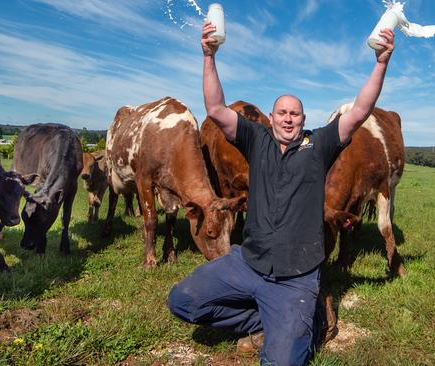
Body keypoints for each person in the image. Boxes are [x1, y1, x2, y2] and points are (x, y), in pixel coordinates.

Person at [168, 20, 396, 366]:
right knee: (182, 300)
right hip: (248, 263)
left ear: (303, 119)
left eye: (295, 114)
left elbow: (360, 110)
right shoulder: (255, 140)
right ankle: (265, 321)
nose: (288, 119)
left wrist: (380, 63)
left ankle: (311, 318)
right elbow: (215, 109)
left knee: (282, 363)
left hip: (296, 278)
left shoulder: (318, 145)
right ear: (271, 118)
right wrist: (208, 56)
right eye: (282, 113)